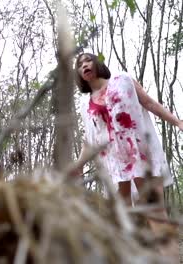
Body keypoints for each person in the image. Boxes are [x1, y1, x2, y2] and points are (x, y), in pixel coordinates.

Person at [75, 53, 183, 260]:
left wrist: (177, 121)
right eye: (79, 65)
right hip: (115, 165)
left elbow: (150, 103)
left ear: (96, 64)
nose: (84, 65)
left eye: (87, 60)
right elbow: (90, 138)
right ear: (79, 74)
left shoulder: (122, 80)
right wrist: (79, 165)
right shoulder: (85, 103)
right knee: (122, 221)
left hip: (139, 155)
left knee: (156, 214)